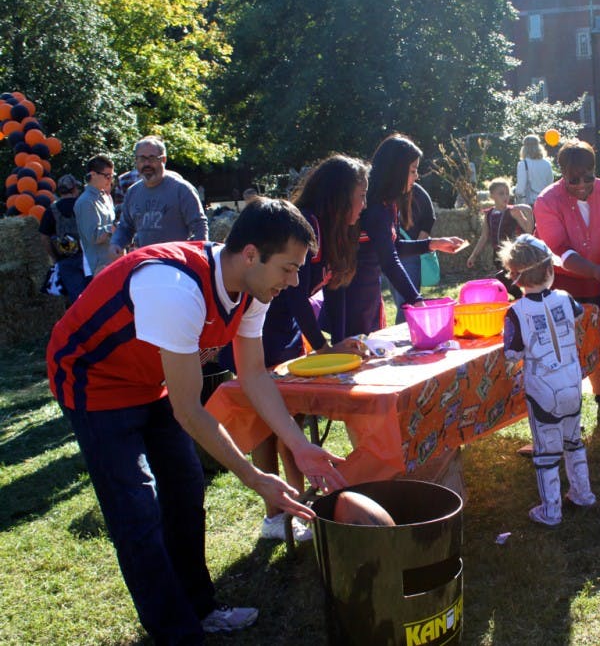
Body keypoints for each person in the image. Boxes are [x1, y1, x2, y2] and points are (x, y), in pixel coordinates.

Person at [47, 198, 348, 643]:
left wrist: (299, 446)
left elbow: (253, 376)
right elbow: (190, 410)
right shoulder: (176, 287)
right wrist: (253, 477)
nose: (295, 281)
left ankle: (201, 607)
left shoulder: (253, 289)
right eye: (288, 268)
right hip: (94, 382)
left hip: (151, 381)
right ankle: (176, 632)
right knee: (137, 509)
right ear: (250, 254)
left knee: (185, 486)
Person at [217, 156, 370, 542]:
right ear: (340, 195)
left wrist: (337, 339)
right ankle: (277, 516)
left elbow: (332, 293)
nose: (365, 204)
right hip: (265, 334)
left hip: (282, 331)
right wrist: (321, 346)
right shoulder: (308, 225)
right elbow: (299, 297)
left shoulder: (332, 230)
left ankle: (298, 507)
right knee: (268, 425)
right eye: (361, 195)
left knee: (291, 422)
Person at [534, 139, 600, 426]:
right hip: (562, 286)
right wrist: (594, 271)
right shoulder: (546, 200)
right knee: (565, 352)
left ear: (594, 169)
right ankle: (563, 414)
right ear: (561, 172)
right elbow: (559, 250)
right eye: (572, 178)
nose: (580, 184)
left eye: (587, 177)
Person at [500, 234, 595, 526]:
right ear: (551, 271)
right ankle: (583, 493)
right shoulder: (567, 299)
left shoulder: (515, 313)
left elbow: (512, 353)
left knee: (546, 452)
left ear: (515, 278)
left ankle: (551, 511)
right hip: (571, 382)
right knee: (574, 440)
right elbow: (576, 318)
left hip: (543, 390)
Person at [333, 133, 464, 338]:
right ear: (396, 172)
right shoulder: (375, 209)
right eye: (413, 170)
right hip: (353, 298)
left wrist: (433, 244)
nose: (416, 176)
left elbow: (395, 246)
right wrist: (416, 299)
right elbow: (390, 260)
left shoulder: (389, 205)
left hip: (370, 295)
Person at [111, 136, 208, 253]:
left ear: (164, 160)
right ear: (136, 161)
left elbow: (199, 226)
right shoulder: (133, 193)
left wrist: (199, 255)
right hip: (146, 262)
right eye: (142, 159)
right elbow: (125, 227)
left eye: (152, 158)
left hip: (176, 262)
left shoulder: (181, 189)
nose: (147, 164)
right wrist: (116, 244)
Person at [466, 177, 533, 295]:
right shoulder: (489, 214)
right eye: (501, 193)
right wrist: (474, 255)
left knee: (501, 278)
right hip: (497, 254)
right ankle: (519, 298)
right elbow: (484, 236)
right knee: (505, 281)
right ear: (492, 196)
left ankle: (521, 297)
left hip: (511, 253)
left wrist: (529, 212)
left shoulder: (513, 211)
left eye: (507, 193)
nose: (505, 196)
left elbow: (528, 230)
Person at [389, 182, 437, 323]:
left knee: (406, 303)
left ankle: (407, 334)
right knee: (402, 301)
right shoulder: (384, 193)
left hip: (410, 253)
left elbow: (429, 216)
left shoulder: (416, 191)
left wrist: (421, 244)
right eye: (413, 170)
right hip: (391, 253)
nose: (416, 176)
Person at [38, 174, 87, 305]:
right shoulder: (84, 205)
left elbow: (44, 237)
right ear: (74, 189)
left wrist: (54, 257)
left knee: (77, 300)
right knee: (93, 296)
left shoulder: (51, 210)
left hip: (66, 259)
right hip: (88, 258)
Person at [74, 154, 119, 278]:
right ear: (93, 175)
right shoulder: (85, 202)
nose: (110, 180)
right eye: (107, 176)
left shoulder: (106, 197)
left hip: (113, 263)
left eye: (112, 176)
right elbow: (93, 237)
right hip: (100, 269)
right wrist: (114, 227)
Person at [514, 134, 554, 206]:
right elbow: (550, 184)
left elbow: (520, 189)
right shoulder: (547, 164)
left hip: (530, 202)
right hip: (545, 201)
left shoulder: (523, 164)